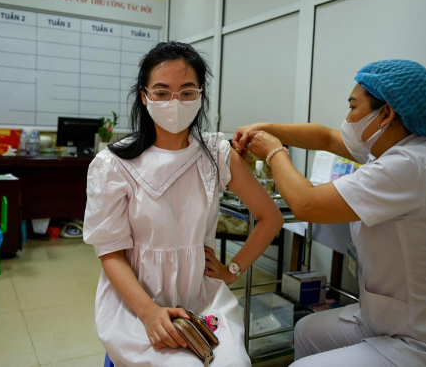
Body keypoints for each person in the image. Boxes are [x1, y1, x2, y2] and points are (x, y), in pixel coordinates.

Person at [233, 60, 426, 366]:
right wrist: (266, 129)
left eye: (353, 107)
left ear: (386, 114)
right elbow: (325, 137)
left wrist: (273, 152)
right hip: (390, 314)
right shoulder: (400, 149)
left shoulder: (410, 165)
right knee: (307, 330)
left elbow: (306, 203)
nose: (347, 118)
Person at [83, 42, 284, 366]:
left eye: (187, 92)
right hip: (136, 302)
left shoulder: (216, 154)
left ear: (201, 95)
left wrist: (232, 270)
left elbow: (270, 217)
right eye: (162, 92)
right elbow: (109, 252)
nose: (174, 102)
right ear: (144, 95)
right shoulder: (114, 164)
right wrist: (149, 313)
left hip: (202, 297)